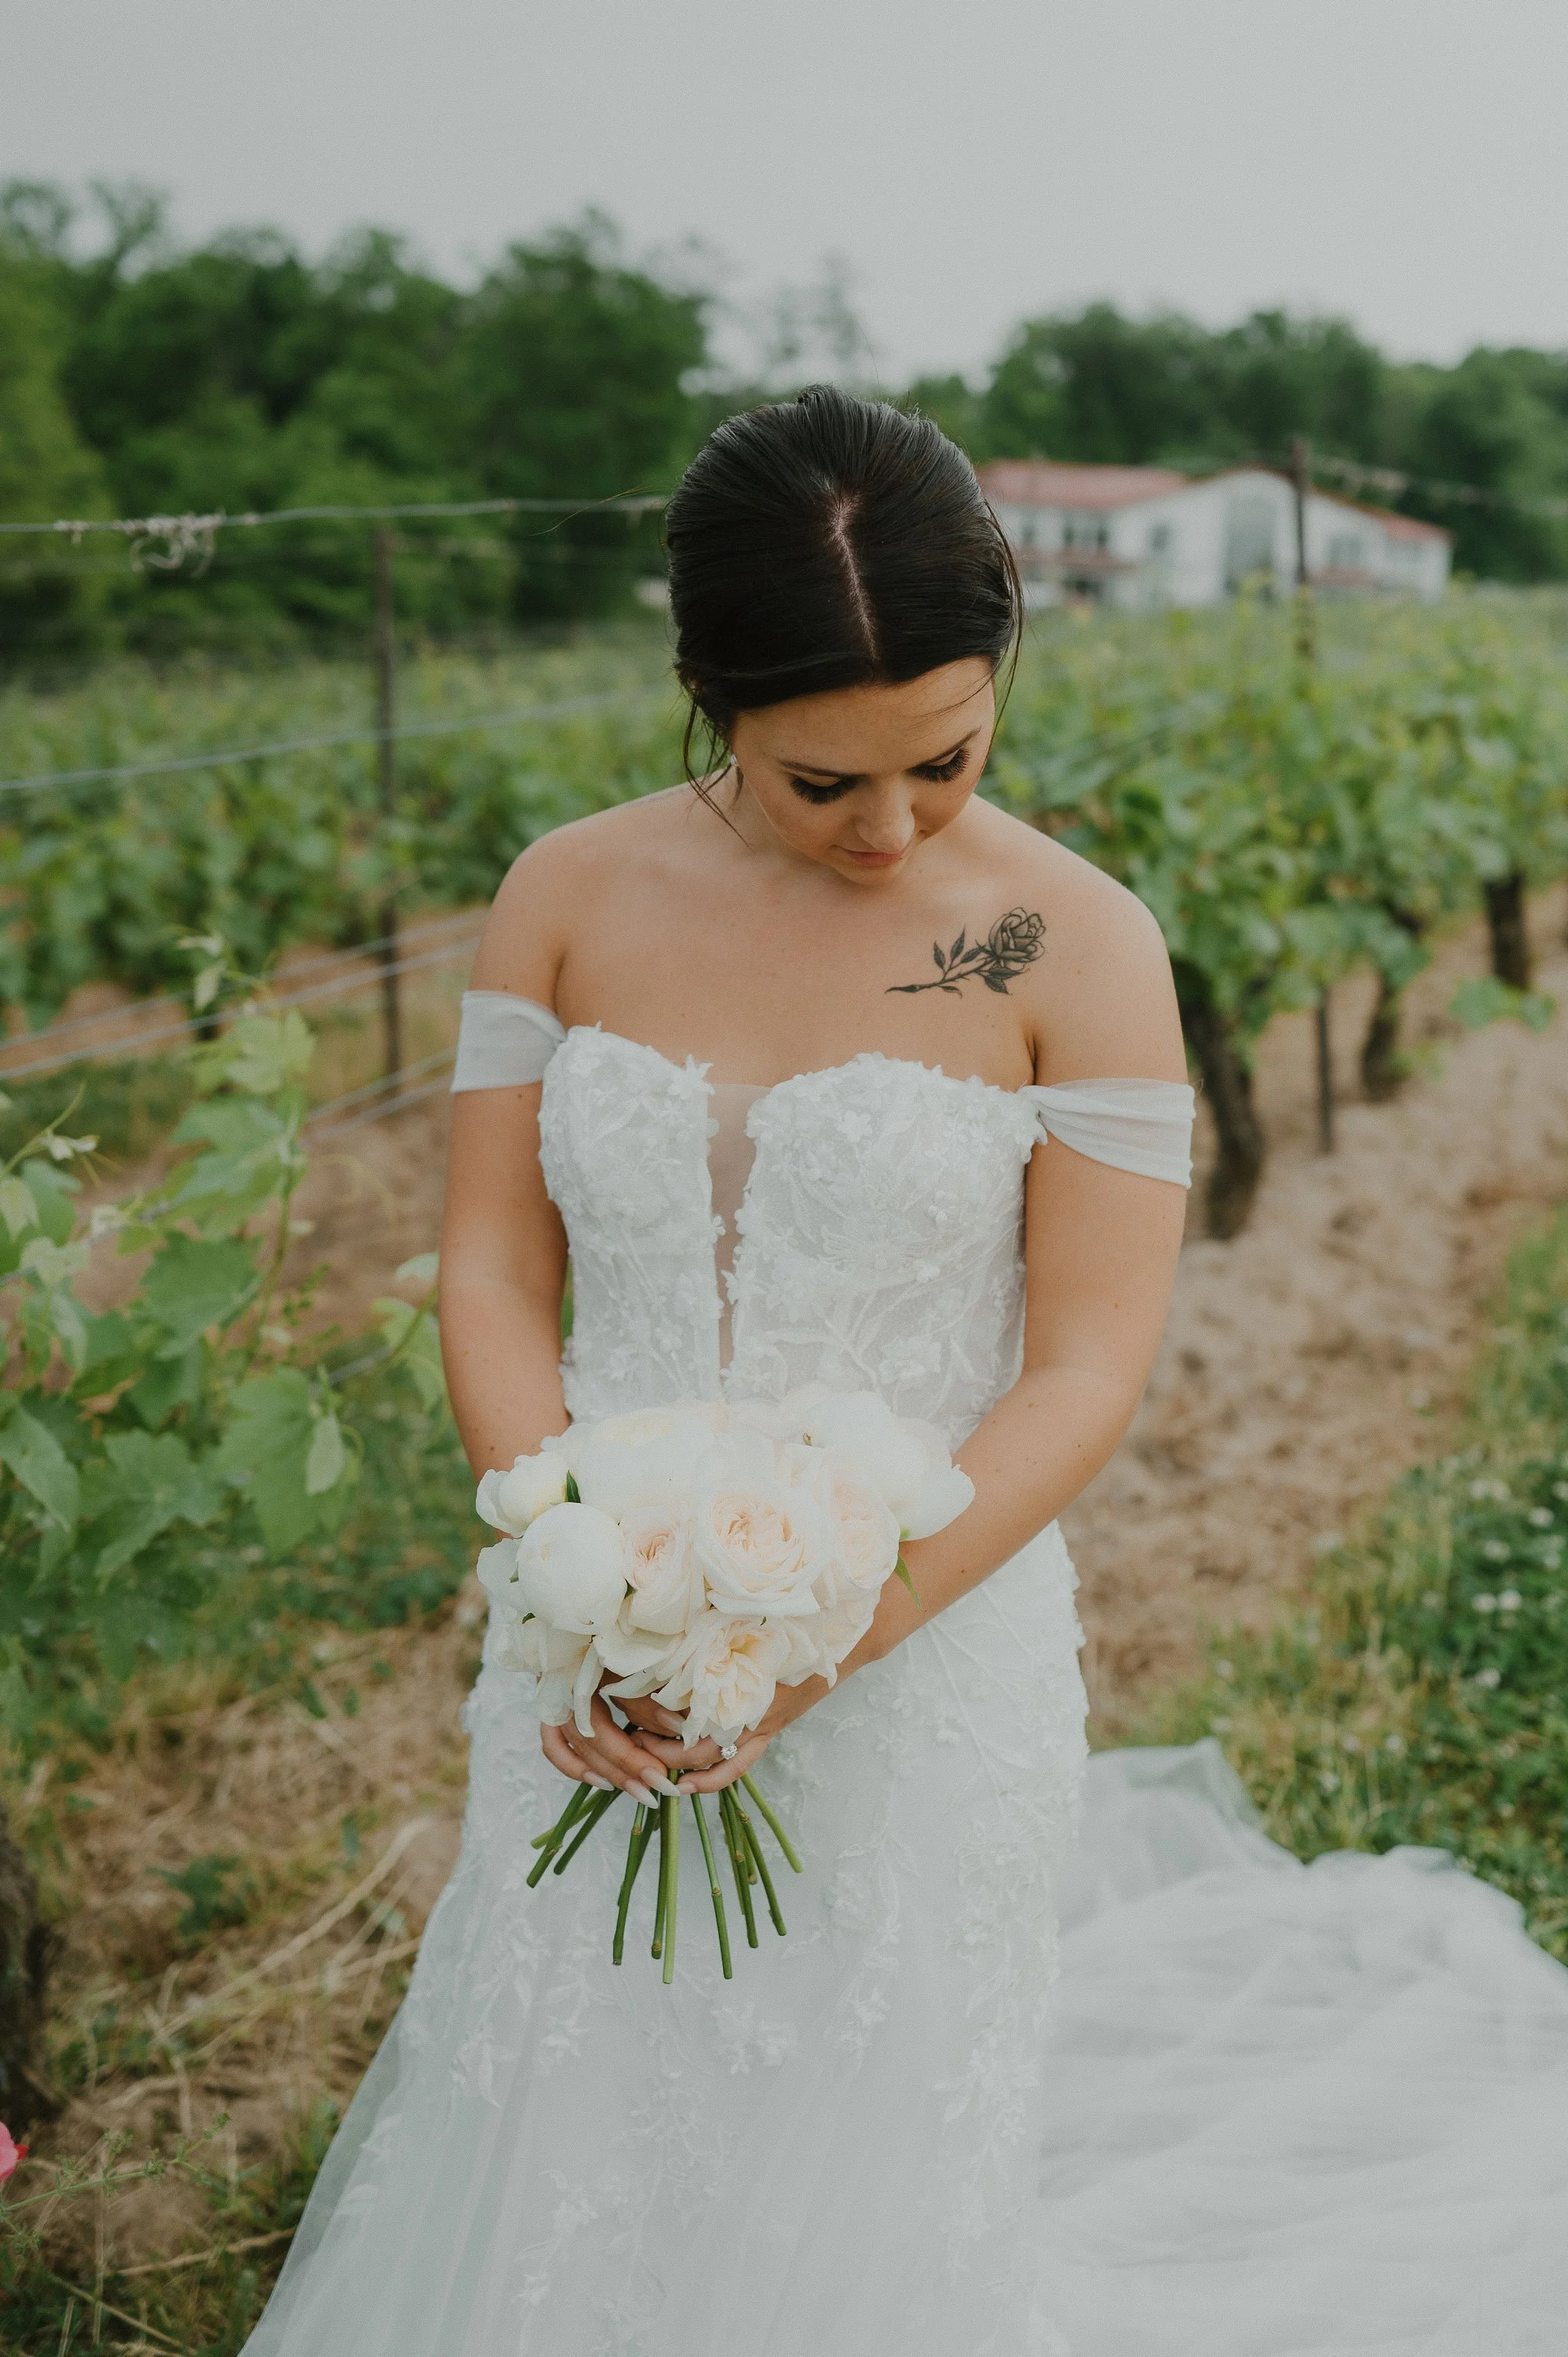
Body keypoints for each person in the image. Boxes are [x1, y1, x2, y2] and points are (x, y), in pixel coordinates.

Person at [244, 389, 1568, 2357]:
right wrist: (574, 1576)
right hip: (588, 1654)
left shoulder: (1081, 948)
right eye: (816, 783)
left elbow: (1087, 1370)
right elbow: (497, 1275)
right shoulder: (563, 897)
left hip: (920, 1648)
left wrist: (803, 1645)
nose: (886, 832)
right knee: (575, 2113)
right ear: (705, 691)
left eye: (941, 763)